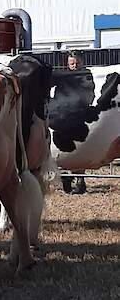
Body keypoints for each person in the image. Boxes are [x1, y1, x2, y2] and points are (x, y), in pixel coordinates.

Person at [63, 52, 88, 194]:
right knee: (69, 148)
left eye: (77, 63)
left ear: (82, 63)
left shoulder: (87, 76)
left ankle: (78, 179)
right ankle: (70, 177)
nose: (74, 66)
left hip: (84, 116)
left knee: (81, 149)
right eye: (72, 63)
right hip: (66, 118)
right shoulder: (64, 78)